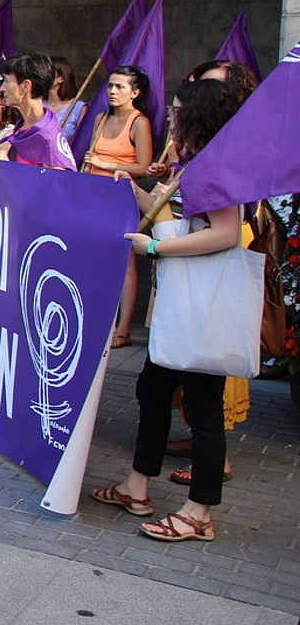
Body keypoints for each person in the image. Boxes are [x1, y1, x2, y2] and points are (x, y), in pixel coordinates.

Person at [91, 77, 248, 544]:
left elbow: (224, 233)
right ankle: (138, 486)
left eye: (178, 111)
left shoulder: (216, 166)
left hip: (202, 301)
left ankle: (199, 511)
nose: (171, 118)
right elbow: (173, 215)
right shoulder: (193, 163)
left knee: (202, 405)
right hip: (183, 296)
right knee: (153, 389)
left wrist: (156, 247)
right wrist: (135, 191)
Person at [82, 64, 154, 348]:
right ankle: (98, 320)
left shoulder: (139, 122)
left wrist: (107, 164)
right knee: (92, 259)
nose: (112, 91)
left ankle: (123, 328)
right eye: (110, 85)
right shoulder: (99, 117)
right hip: (92, 196)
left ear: (135, 92)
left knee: (125, 263)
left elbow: (144, 166)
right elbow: (89, 157)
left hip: (120, 197)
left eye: (120, 86)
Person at [0, 52, 75, 169]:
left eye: (7, 81)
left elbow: (57, 184)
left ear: (25, 86)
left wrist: (6, 168)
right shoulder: (23, 128)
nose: (2, 88)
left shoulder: (48, 138)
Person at [47, 56, 86, 141]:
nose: (43, 75)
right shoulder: (39, 105)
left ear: (60, 78)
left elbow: (82, 141)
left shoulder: (79, 108)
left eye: (48, 72)